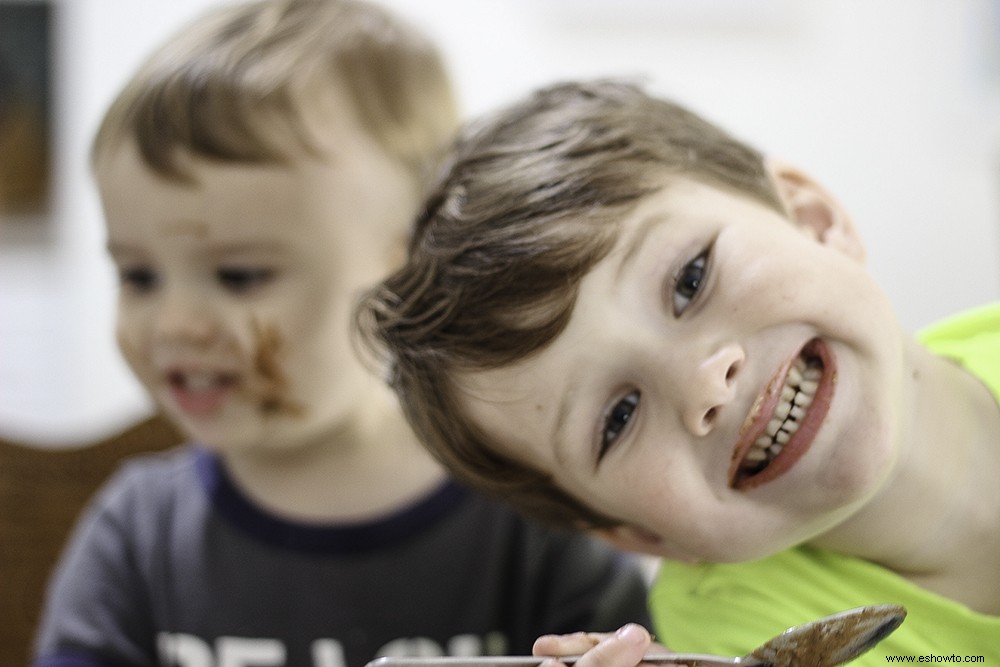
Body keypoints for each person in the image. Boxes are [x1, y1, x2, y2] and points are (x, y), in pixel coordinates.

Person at [32, 9, 654, 666]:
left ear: (404, 269)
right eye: (139, 274)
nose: (173, 322)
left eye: (239, 274)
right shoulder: (135, 539)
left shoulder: (531, 534)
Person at [359, 79, 1000, 662]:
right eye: (619, 418)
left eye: (690, 280)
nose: (701, 383)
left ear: (813, 219)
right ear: (640, 535)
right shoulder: (726, 635)